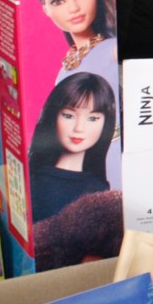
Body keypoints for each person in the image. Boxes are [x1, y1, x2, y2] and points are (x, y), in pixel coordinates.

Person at [28, 72, 116, 224]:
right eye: (69, 116)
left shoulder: (100, 189)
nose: (79, 128)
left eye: (93, 118)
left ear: (106, 124)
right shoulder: (33, 181)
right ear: (54, 116)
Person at [36, 0, 118, 81]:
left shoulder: (113, 50)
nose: (74, 8)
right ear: (46, 10)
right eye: (57, 1)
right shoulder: (64, 72)